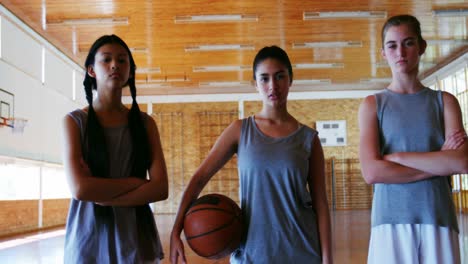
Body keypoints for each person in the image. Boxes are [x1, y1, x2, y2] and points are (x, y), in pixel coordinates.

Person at [170, 46, 332, 264]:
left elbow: (321, 203)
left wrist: (328, 258)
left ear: (290, 80)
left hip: (302, 252)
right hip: (253, 254)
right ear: (255, 83)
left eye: (280, 76)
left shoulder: (308, 138)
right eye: (264, 78)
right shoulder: (240, 130)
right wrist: (175, 231)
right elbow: (199, 179)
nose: (272, 85)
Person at [358, 14, 468, 264]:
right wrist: (438, 163)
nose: (400, 52)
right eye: (392, 45)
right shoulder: (373, 105)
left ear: (421, 47)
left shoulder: (445, 102)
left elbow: (461, 162)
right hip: (389, 222)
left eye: (408, 43)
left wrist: (396, 158)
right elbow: (372, 172)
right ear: (383, 53)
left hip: (438, 218)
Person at [62, 34, 169, 264]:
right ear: (91, 70)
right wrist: (135, 183)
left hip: (136, 235)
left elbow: (160, 189)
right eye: (106, 59)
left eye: (122, 61)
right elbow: (80, 189)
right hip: (89, 236)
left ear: (130, 72)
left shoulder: (145, 124)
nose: (115, 65)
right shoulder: (74, 122)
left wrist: (105, 197)